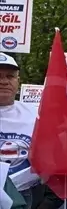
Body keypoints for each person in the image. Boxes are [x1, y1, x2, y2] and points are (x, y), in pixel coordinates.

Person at [0, 54, 39, 195]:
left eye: (10, 77)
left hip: (23, 193)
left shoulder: (36, 115)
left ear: (18, 81)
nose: (4, 82)